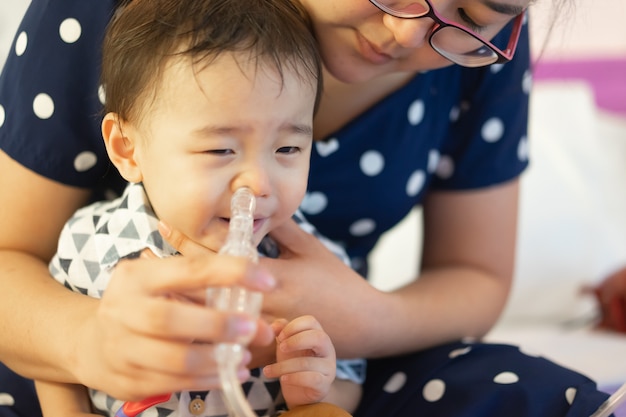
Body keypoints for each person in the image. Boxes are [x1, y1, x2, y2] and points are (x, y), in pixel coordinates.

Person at [0, 0, 614, 416]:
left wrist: (364, 323)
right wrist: (88, 344)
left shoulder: (479, 52)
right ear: (125, 147)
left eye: (476, 13)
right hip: (60, 350)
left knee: (527, 394)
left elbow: (476, 277)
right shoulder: (110, 18)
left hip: (317, 366)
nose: (406, 33)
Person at [32, 0, 364, 416]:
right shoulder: (93, 244)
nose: (258, 184)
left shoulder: (315, 272)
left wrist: (316, 391)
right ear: (127, 149)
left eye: (287, 148)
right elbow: (51, 362)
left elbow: (352, 371)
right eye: (220, 149)